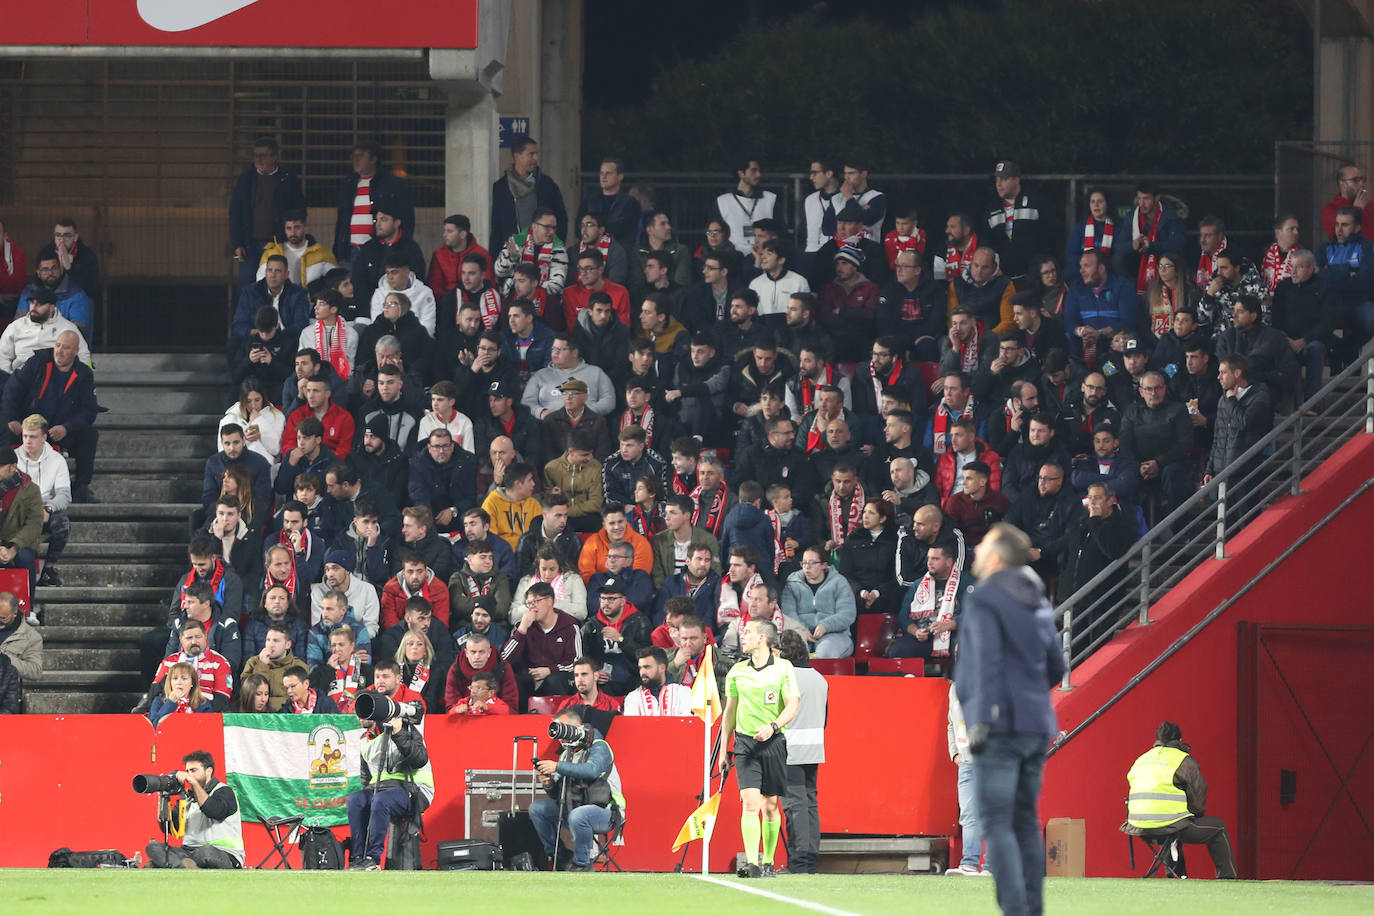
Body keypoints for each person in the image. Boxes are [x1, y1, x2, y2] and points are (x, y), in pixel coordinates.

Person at [955, 524, 1064, 915]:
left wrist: (982, 718)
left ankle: (1014, 911)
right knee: (1023, 822)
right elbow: (1056, 665)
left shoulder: (986, 596)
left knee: (996, 822)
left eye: (983, 546)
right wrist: (1029, 697)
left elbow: (983, 658)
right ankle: (1032, 909)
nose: (977, 550)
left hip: (998, 725)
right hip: (1035, 723)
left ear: (997, 557)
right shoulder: (1037, 596)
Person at [719, 618, 800, 879]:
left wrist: (774, 726)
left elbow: (792, 706)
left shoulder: (784, 668)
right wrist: (724, 751)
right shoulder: (736, 672)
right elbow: (729, 713)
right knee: (750, 804)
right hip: (745, 743)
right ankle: (752, 863)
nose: (743, 636)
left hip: (774, 741)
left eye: (748, 632)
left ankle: (768, 860)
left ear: (762, 638)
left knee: (771, 805)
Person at [1122, 720, 1237, 879]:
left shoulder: (1141, 759)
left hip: (1138, 826)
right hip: (1168, 825)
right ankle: (1228, 877)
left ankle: (1176, 875)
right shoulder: (1182, 760)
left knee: (1173, 826)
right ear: (1180, 740)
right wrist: (1195, 813)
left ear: (1158, 740)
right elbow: (1198, 800)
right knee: (1218, 828)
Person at [3, 331, 100, 504]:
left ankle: (81, 487)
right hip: (27, 428)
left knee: (89, 434)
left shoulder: (84, 374)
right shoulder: (37, 362)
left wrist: (67, 427)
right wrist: (12, 419)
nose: (59, 351)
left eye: (66, 348)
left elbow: (89, 410)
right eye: (58, 345)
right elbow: (12, 390)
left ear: (76, 351)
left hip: (59, 432)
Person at [346, 689, 435, 871]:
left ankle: (372, 858)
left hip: (415, 790)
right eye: (357, 711)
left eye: (365, 710)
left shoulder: (407, 728)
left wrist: (398, 733)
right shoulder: (365, 740)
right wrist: (366, 804)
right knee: (356, 799)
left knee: (381, 800)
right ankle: (358, 858)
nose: (360, 715)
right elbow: (366, 778)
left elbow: (420, 759)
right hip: (384, 789)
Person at [531, 707, 625, 871]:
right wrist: (548, 783)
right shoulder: (565, 754)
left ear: (577, 727)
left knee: (578, 815)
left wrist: (558, 767)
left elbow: (592, 770)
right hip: (574, 809)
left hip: (607, 812)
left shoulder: (599, 747)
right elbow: (557, 795)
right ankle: (560, 856)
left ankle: (582, 864)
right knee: (537, 809)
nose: (560, 736)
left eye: (563, 729)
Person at [777, 630, 827, 875]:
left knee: (795, 806)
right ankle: (810, 860)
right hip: (814, 747)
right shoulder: (820, 679)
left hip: (790, 748)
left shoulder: (785, 678)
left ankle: (799, 862)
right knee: (809, 804)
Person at [144, 751, 244, 869]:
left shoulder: (225, 791)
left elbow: (212, 810)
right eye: (187, 771)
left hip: (224, 853)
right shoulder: (187, 798)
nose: (189, 775)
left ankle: (172, 865)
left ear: (209, 771)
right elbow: (168, 827)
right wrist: (163, 795)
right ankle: (184, 865)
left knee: (205, 852)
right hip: (188, 852)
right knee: (153, 847)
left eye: (193, 771)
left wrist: (193, 782)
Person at [333, 140, 414, 265]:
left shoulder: (391, 184)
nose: (356, 160)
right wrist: (339, 252)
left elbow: (406, 219)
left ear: (373, 159)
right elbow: (341, 221)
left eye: (360, 156)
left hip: (380, 250)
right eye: (353, 157)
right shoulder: (348, 185)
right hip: (352, 251)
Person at [489, 135, 567, 255]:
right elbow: (496, 227)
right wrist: (495, 258)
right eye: (531, 154)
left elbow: (561, 219)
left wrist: (554, 247)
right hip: (512, 254)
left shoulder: (547, 185)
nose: (536, 158)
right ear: (517, 156)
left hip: (543, 254)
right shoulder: (501, 188)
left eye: (537, 154)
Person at [502, 580, 582, 697]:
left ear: (550, 601)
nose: (532, 607)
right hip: (529, 678)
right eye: (529, 603)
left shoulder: (569, 626)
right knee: (516, 681)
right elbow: (505, 659)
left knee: (554, 680)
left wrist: (550, 670)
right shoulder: (522, 626)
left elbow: (576, 662)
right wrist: (522, 630)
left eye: (536, 602)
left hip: (556, 677)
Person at [890, 542, 968, 660]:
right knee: (898, 649)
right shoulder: (918, 584)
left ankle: (958, 679)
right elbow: (903, 616)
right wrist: (916, 631)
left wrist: (949, 625)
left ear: (948, 562)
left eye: (935, 559)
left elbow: (974, 614)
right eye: (929, 558)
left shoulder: (966, 582)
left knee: (964, 648)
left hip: (953, 635)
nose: (929, 563)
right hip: (925, 637)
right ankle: (908, 678)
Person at [780, 546, 856, 658]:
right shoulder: (792, 583)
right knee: (790, 653)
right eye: (804, 563)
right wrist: (801, 629)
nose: (807, 567)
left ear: (824, 565)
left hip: (835, 635)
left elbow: (847, 614)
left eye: (812, 563)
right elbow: (788, 613)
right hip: (801, 635)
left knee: (823, 653)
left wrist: (826, 625)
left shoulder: (839, 582)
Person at [620, 645, 691, 715]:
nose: (642, 672)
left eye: (647, 667)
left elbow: (687, 723)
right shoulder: (633, 697)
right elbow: (632, 726)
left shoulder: (683, 692)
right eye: (640, 668)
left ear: (662, 668)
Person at [0, 590, 42, 683]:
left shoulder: (31, 636)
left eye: (3, 618)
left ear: (14, 614)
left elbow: (35, 671)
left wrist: (4, 658)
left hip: (6, 692)